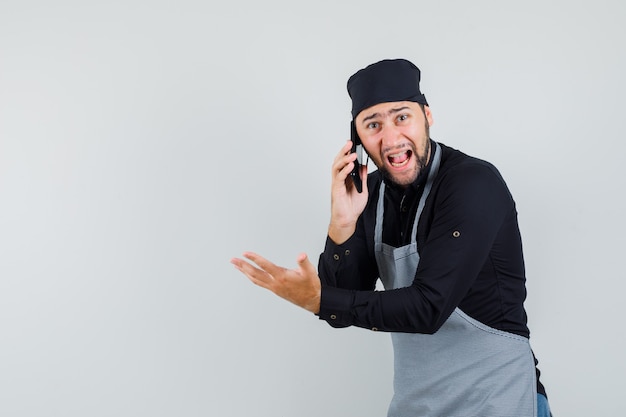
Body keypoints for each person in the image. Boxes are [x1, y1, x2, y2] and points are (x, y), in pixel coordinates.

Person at [231, 58, 552, 417]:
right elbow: (342, 306)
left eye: (402, 117)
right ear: (357, 140)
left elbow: (428, 308)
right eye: (373, 125)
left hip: (498, 398)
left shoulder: (472, 184)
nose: (391, 138)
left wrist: (319, 301)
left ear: (427, 117)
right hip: (418, 405)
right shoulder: (372, 193)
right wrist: (342, 223)